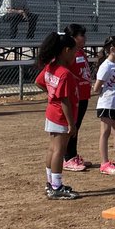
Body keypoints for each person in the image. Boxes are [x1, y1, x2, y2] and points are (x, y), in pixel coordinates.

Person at [34, 31, 80, 200]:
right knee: (59, 150)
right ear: (65, 50)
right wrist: (71, 124)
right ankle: (57, 186)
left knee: (53, 149)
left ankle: (50, 183)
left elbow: (39, 82)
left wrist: (51, 93)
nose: (75, 55)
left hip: (52, 113)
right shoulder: (64, 73)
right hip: (61, 116)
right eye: (74, 51)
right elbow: (65, 102)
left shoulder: (51, 66)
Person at [92, 35, 115, 175]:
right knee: (105, 133)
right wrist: (107, 92)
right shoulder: (105, 66)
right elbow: (96, 88)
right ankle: (104, 163)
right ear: (112, 49)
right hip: (106, 104)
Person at [61, 23, 92, 172]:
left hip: (84, 95)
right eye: (81, 36)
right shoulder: (69, 54)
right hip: (75, 96)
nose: (84, 38)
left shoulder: (81, 52)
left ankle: (73, 155)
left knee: (77, 126)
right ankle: (68, 157)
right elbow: (64, 72)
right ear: (72, 38)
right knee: (72, 127)